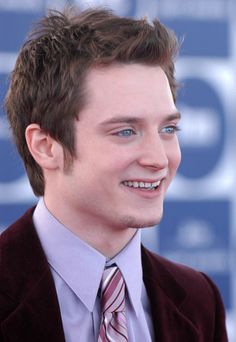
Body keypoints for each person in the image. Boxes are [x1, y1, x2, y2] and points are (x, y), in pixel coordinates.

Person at [0, 6, 228, 342]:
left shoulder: (199, 299)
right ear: (46, 146)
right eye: (125, 131)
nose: (158, 159)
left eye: (168, 128)